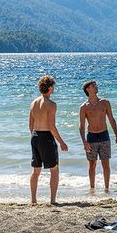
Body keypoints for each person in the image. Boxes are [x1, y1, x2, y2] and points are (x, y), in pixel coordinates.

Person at [29, 75, 69, 205]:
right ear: (50, 88)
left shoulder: (34, 102)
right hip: (46, 137)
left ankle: (33, 200)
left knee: (36, 171)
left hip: (35, 136)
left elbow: (30, 124)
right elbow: (51, 126)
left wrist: (35, 137)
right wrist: (61, 142)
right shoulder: (51, 104)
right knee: (54, 170)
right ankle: (52, 200)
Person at [79, 80, 117, 192]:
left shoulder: (105, 102)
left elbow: (111, 119)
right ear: (88, 89)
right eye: (93, 86)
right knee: (92, 164)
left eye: (96, 85)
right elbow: (81, 126)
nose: (96, 87)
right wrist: (84, 142)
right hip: (91, 136)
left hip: (104, 135)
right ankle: (92, 188)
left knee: (105, 163)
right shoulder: (84, 107)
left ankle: (107, 188)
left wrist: (116, 135)